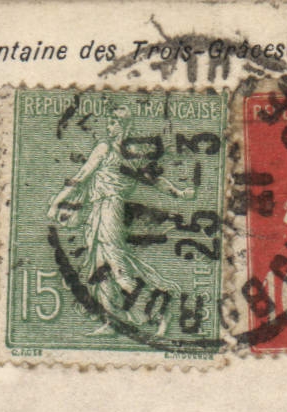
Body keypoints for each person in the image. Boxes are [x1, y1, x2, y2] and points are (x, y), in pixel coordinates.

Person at [47, 107, 196, 337]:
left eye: (114, 122)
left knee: (119, 270)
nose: (109, 126)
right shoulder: (128, 156)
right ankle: (112, 322)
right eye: (110, 121)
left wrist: (57, 202)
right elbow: (155, 181)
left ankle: (163, 308)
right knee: (100, 267)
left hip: (109, 209)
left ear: (124, 126)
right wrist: (179, 192)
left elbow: (82, 176)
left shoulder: (106, 149)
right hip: (99, 211)